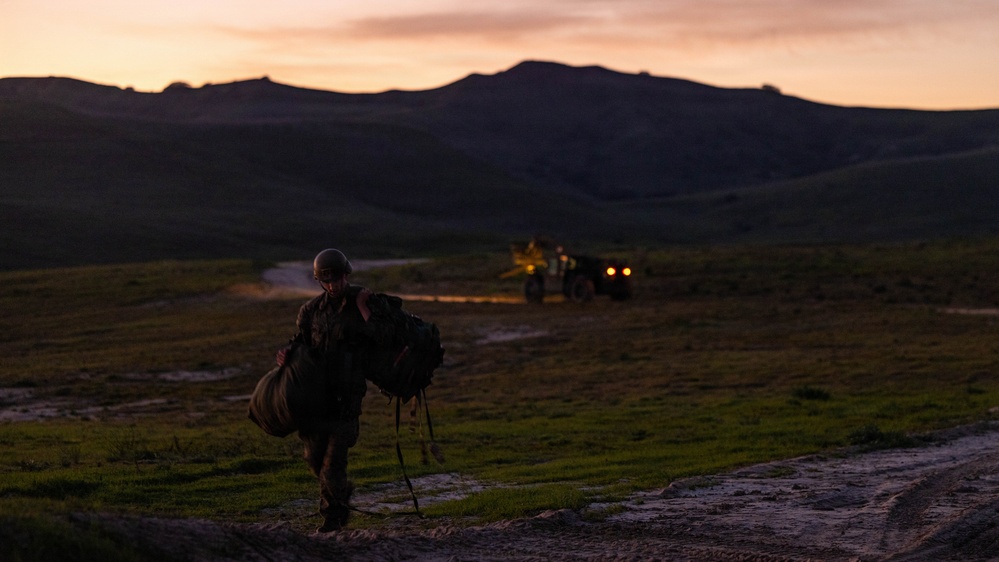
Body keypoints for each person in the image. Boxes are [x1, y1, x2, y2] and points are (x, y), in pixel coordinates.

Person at [275, 248, 392, 533]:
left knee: (332, 464)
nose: (333, 285)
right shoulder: (311, 311)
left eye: (337, 278)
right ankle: (339, 499)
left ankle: (332, 520)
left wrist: (364, 308)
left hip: (347, 399)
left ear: (346, 275)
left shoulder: (363, 300)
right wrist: (288, 352)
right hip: (316, 399)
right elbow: (302, 343)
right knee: (314, 460)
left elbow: (384, 337)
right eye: (326, 280)